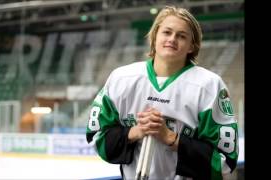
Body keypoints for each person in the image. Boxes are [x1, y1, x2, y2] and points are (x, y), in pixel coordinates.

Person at [86, 5, 238, 180]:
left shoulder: (209, 86)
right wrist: (136, 131)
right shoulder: (121, 79)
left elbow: (225, 161)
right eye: (167, 32)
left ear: (191, 46)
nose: (172, 39)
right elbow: (97, 138)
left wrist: (170, 137)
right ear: (154, 36)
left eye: (181, 36)